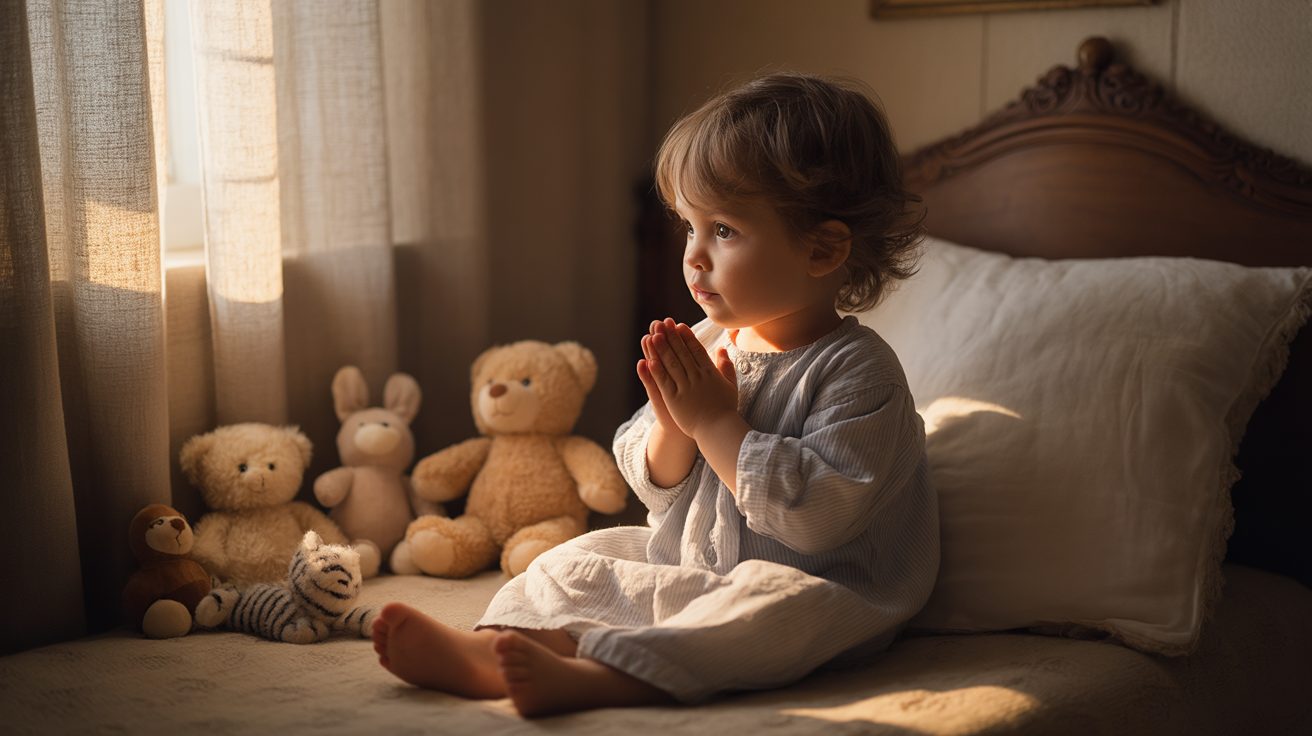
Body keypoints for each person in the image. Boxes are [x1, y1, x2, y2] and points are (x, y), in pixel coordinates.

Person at [371, 72, 940, 717]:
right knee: (577, 559)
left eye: (723, 230)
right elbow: (651, 485)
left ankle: (602, 679)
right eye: (689, 227)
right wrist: (673, 428)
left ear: (822, 248)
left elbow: (815, 517)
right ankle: (501, 646)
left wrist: (714, 424)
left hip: (815, 586)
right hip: (690, 563)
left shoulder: (859, 373)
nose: (694, 256)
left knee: (767, 609)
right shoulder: (707, 338)